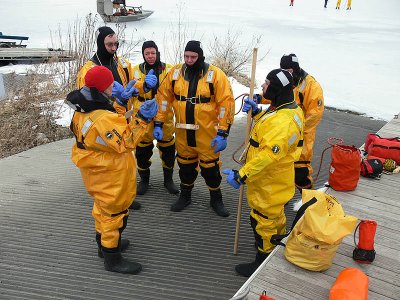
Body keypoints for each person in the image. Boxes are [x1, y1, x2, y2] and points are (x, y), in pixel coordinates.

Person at [66, 66, 158, 274]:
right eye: (109, 85)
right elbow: (125, 140)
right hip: (109, 173)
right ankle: (112, 257)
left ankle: (103, 245)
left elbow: (106, 125)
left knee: (102, 209)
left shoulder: (82, 110)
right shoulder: (101, 118)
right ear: (101, 88)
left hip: (96, 171)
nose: (113, 87)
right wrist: (142, 120)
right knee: (114, 214)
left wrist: (120, 103)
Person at [224, 69, 304, 277]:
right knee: (274, 216)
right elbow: (273, 132)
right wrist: (259, 113)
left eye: (267, 85)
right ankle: (274, 244)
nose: (262, 87)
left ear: (276, 90)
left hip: (269, 180)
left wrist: (241, 174)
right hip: (278, 178)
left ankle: (263, 259)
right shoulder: (287, 109)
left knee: (262, 219)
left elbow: (268, 155)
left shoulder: (282, 121)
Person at [76, 26, 158, 209]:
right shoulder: (89, 69)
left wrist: (143, 86)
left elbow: (130, 85)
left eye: (116, 44)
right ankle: (111, 203)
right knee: (110, 167)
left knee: (126, 161)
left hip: (123, 118)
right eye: (109, 44)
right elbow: (87, 100)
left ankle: (126, 197)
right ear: (100, 43)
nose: (113, 48)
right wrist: (117, 100)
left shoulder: (120, 63)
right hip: (103, 124)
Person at [153, 40, 235, 217]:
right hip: (183, 132)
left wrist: (223, 132)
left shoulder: (215, 75)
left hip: (207, 134)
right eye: (186, 56)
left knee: (210, 169)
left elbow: (225, 104)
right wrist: (158, 123)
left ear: (200, 56)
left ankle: (216, 198)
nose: (189, 60)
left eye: (193, 56)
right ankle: (185, 195)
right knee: (185, 167)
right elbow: (163, 98)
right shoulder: (175, 73)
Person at [131, 41, 178, 195]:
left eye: (153, 53)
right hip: (143, 115)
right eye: (147, 53)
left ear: (158, 53)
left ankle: (168, 180)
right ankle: (144, 180)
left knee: (168, 150)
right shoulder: (136, 70)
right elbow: (130, 90)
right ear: (143, 54)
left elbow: (176, 91)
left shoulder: (169, 69)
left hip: (165, 115)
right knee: (142, 152)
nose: (150, 56)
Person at [280, 54, 324, 191]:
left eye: (288, 71)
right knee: (281, 170)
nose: (285, 74)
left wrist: (298, 129)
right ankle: (282, 198)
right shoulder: (284, 78)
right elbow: (275, 93)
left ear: (294, 69)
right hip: (283, 131)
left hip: (302, 135)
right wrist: (259, 98)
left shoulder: (311, 85)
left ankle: (311, 204)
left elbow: (315, 114)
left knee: (301, 172)